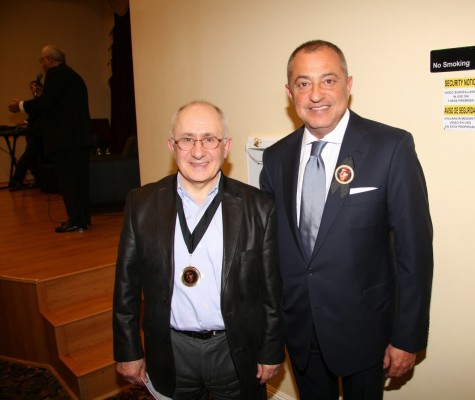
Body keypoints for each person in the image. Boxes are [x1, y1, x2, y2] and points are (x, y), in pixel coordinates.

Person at [260, 40, 434, 400]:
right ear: (290, 92)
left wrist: (407, 336)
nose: (316, 94)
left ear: (348, 85)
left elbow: (414, 252)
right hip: (301, 329)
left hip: (367, 330)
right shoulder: (275, 158)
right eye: (303, 83)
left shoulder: (391, 147)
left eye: (328, 80)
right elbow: (271, 253)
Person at [112, 101, 285, 400]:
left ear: (226, 146)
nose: (198, 151)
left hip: (234, 349)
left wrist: (271, 350)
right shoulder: (141, 204)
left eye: (209, 139)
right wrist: (128, 350)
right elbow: (126, 287)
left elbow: (272, 291)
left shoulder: (259, 207)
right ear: (172, 146)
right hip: (170, 349)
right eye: (187, 139)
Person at [8, 45, 93, 233]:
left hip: (65, 140)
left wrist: (20, 105)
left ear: (50, 60)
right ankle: (83, 219)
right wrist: (42, 96)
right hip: (79, 138)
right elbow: (58, 103)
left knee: (68, 181)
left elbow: (47, 102)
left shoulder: (56, 74)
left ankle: (75, 220)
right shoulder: (73, 75)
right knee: (80, 181)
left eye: (42, 61)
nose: (42, 65)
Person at [10, 80, 44, 191]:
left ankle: (33, 180)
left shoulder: (42, 99)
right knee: (29, 156)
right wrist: (26, 122)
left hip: (39, 133)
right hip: (34, 133)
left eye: (34, 87)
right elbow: (35, 116)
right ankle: (17, 181)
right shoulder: (36, 100)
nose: (33, 89)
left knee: (31, 157)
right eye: (31, 87)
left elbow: (38, 115)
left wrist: (25, 121)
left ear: (40, 87)